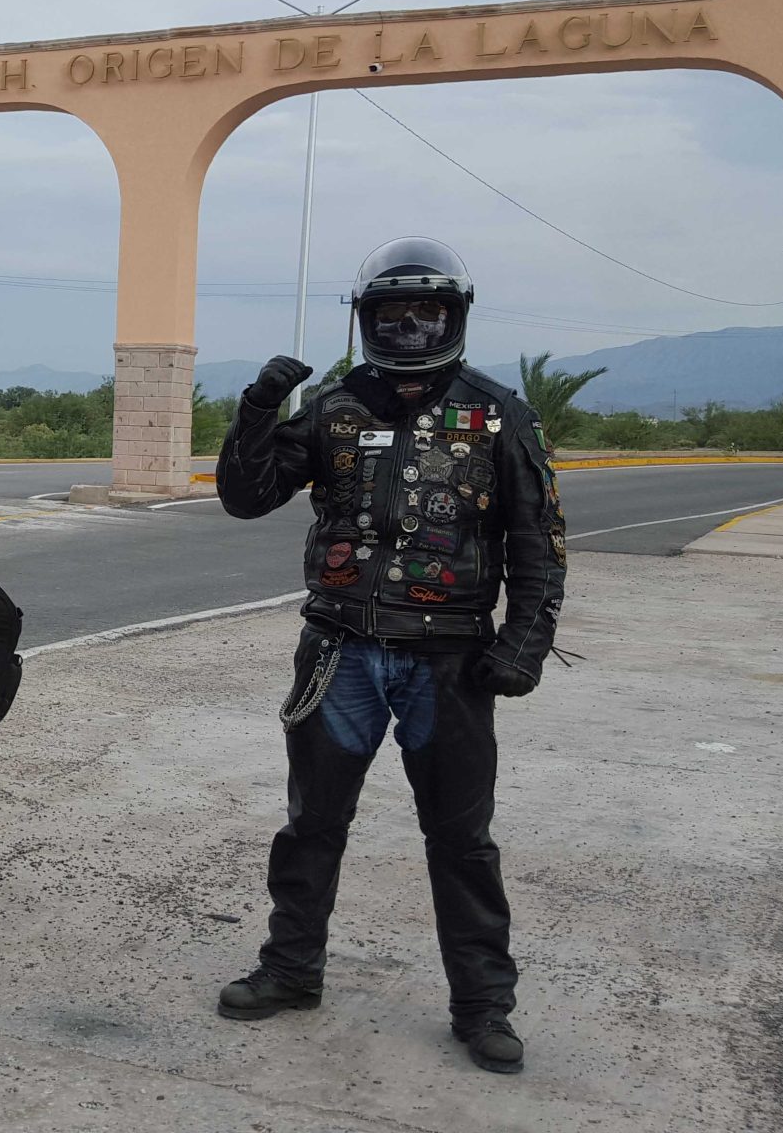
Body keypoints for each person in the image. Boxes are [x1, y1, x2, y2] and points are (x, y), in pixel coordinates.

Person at [210, 235, 566, 1076]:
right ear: (368, 318)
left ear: (455, 315)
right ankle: (292, 969)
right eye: (393, 313)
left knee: (462, 839)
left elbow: (538, 538)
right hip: (340, 651)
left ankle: (482, 1006)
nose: (409, 327)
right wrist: (259, 409)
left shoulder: (497, 412)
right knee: (311, 825)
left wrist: (526, 642)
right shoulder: (334, 406)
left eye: (427, 311)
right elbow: (245, 497)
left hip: (449, 662)